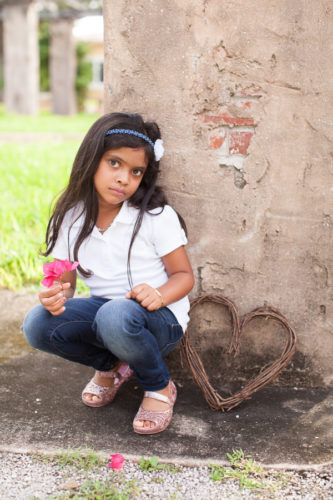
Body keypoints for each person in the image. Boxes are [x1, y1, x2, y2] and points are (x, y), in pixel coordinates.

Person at [23, 112, 194, 435]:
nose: (123, 178)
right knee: (36, 324)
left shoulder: (155, 217)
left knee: (115, 315)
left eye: (136, 171)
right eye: (114, 163)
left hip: (159, 321)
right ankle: (111, 367)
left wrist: (159, 295)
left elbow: (185, 276)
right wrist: (53, 294)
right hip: (107, 317)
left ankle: (159, 387)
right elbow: (64, 283)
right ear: (91, 160)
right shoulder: (70, 217)